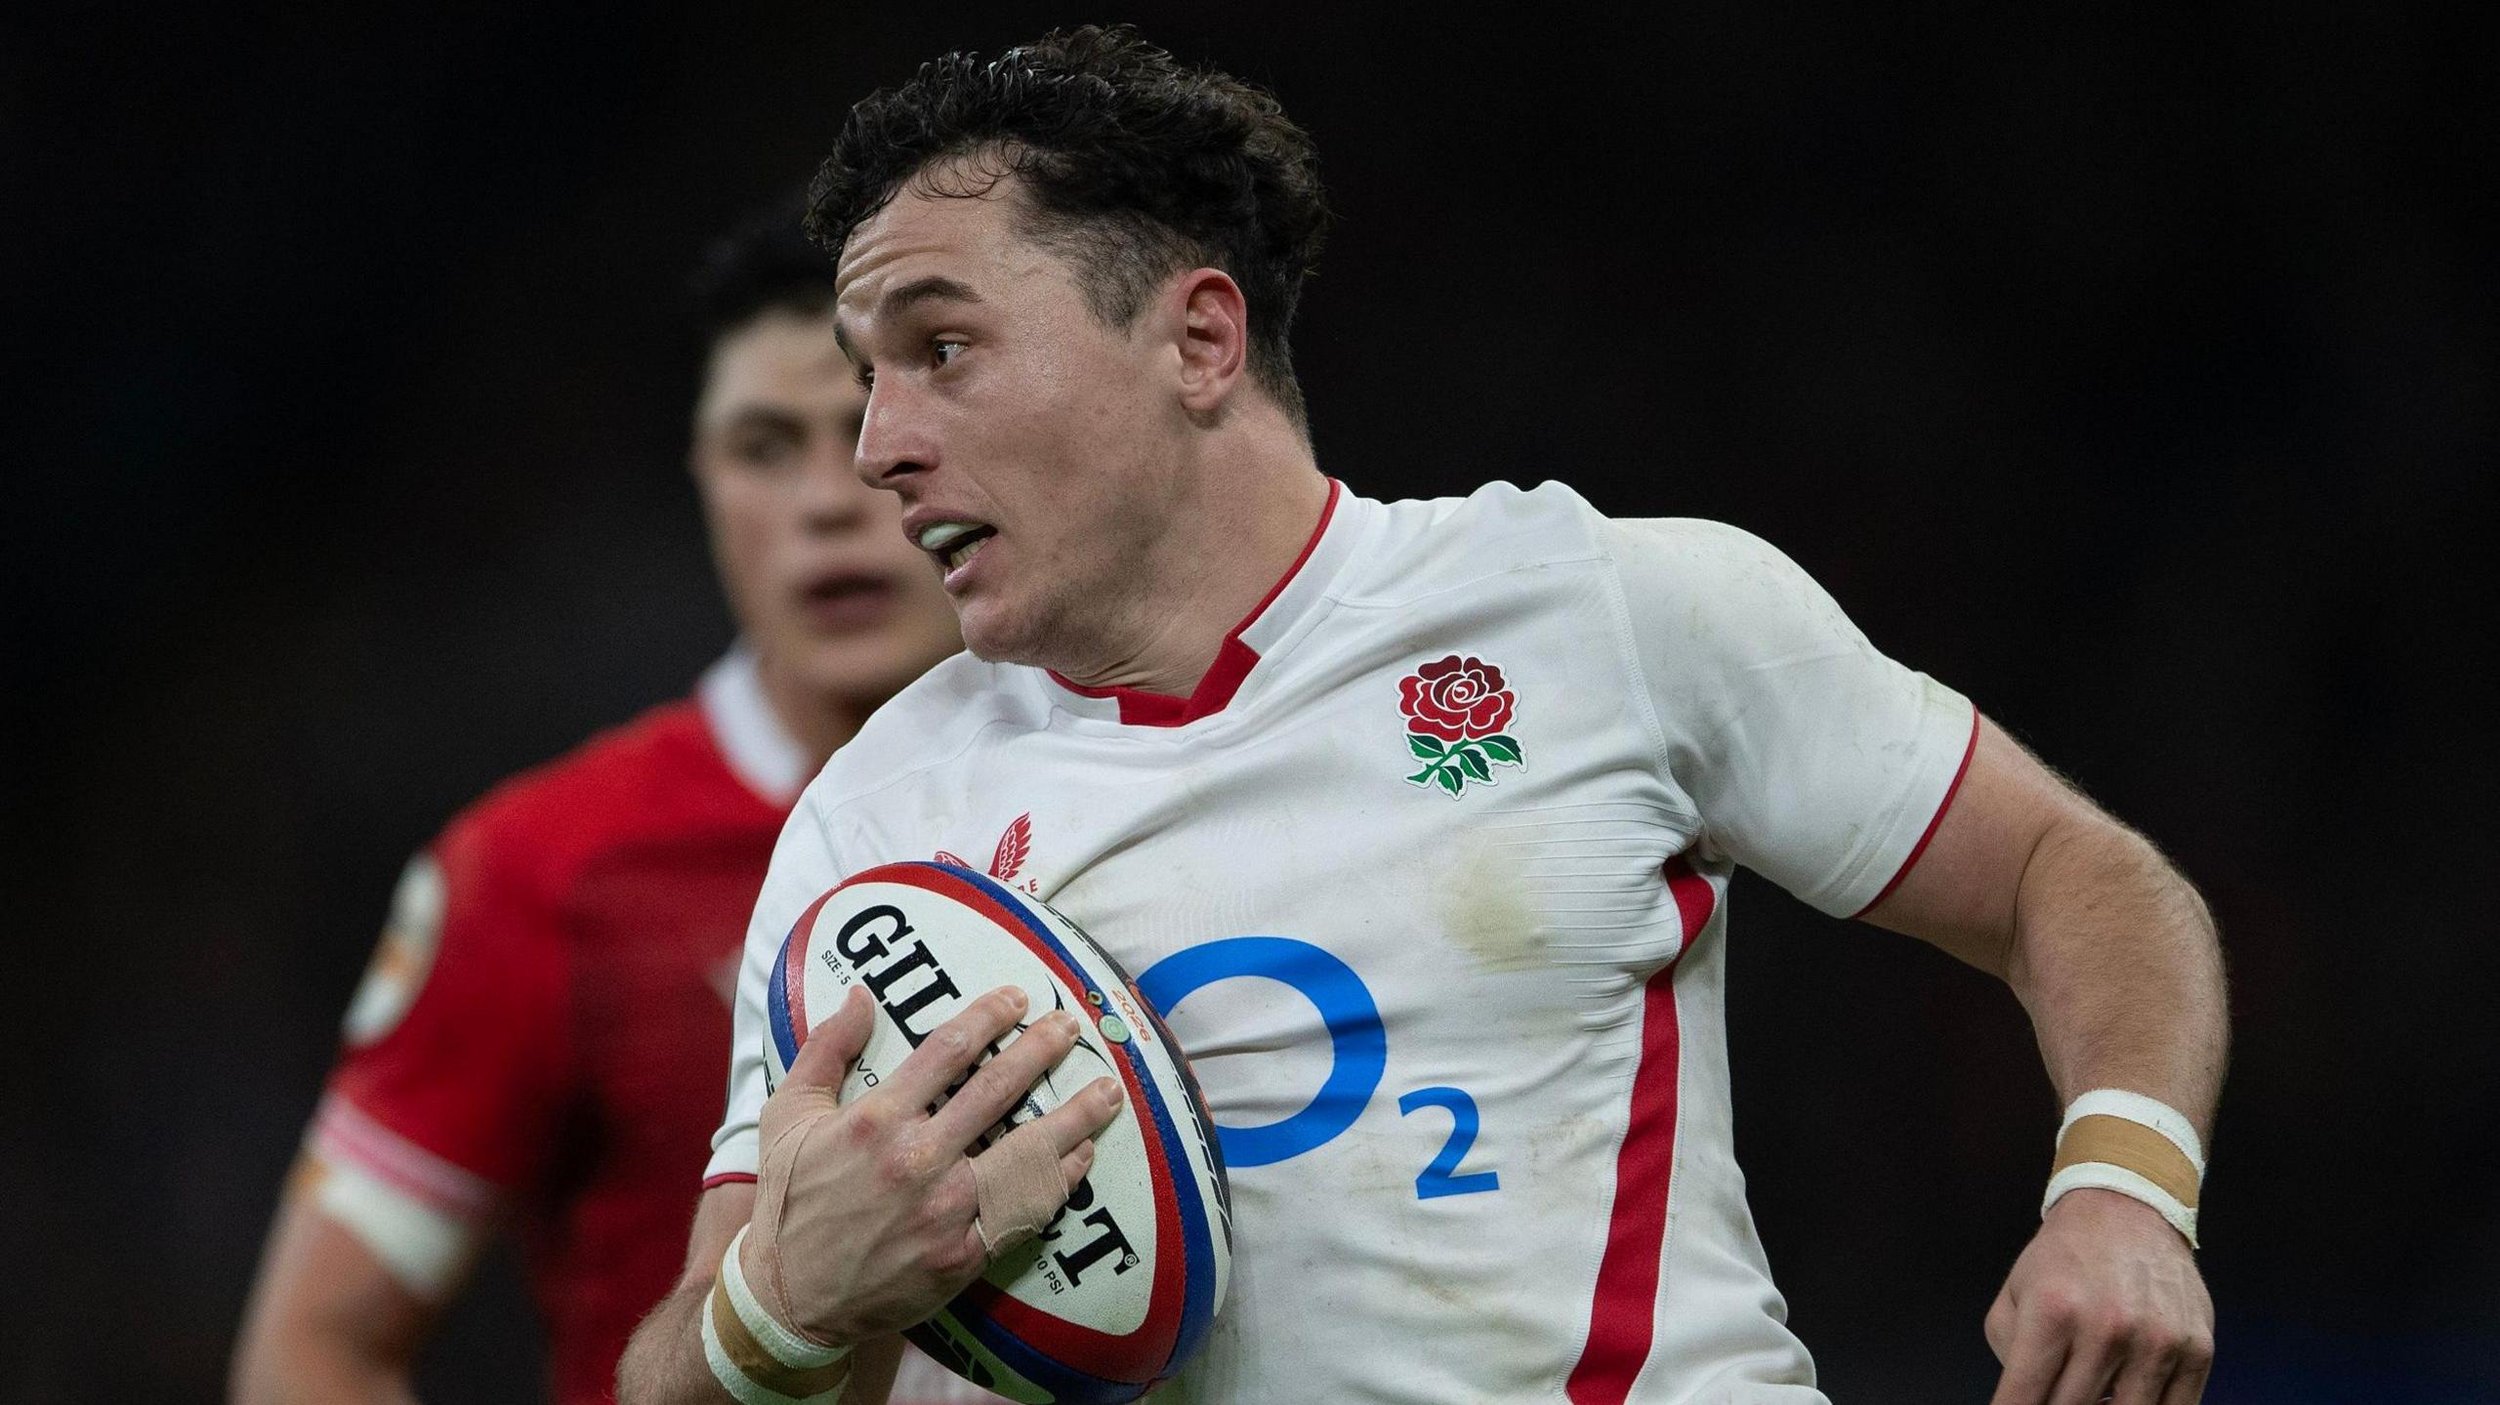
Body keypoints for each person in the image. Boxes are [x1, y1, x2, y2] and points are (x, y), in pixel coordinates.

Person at [619, 27, 2227, 1405]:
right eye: (869, 376)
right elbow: (690, 1357)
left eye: (941, 349)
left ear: (1198, 339)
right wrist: (784, 1306)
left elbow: (2071, 874)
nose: (878, 446)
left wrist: (2125, 1190)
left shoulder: (1599, 610)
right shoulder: (875, 830)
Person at [230, 201, 1002, 1405]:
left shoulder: (1127, 779)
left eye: (866, 427)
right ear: (699, 477)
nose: (825, 499)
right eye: (761, 446)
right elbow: (312, 1351)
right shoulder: (541, 868)